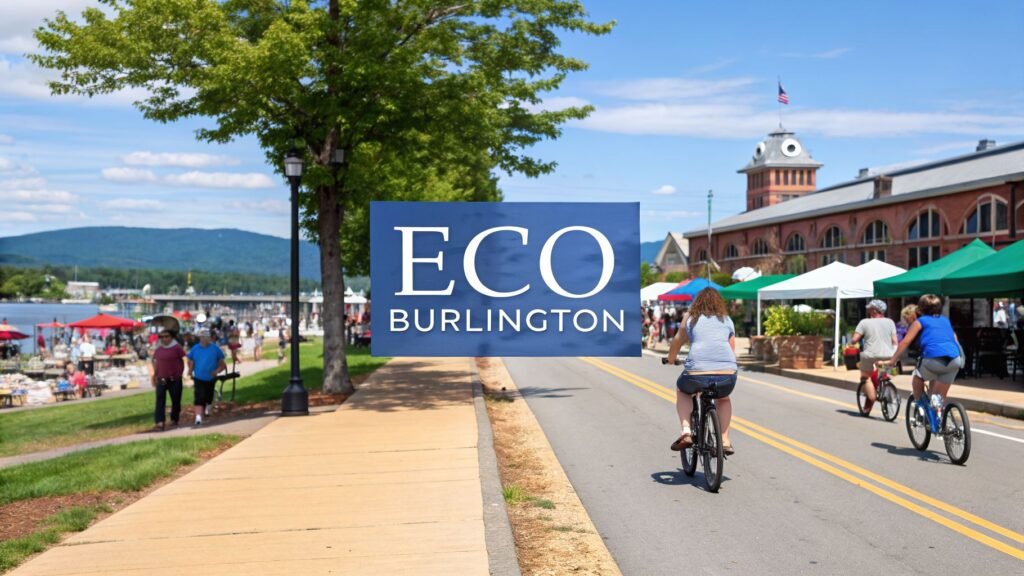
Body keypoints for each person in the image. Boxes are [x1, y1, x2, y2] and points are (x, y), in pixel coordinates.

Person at [666, 288, 737, 455]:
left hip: (697, 372)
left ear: (697, 302)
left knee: (682, 390)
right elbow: (731, 348)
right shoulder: (727, 320)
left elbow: (677, 342)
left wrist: (671, 359)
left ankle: (686, 431)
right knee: (724, 399)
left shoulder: (690, 319)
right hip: (727, 372)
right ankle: (725, 440)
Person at [889, 294, 963, 409]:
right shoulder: (945, 321)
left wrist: (893, 360)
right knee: (938, 399)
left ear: (920, 308)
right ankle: (938, 417)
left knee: (917, 376)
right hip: (954, 359)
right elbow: (955, 339)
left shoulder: (920, 321)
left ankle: (921, 405)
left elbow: (905, 342)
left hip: (933, 359)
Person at [849, 300, 897, 414]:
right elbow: (895, 341)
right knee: (885, 373)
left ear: (875, 310)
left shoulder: (864, 322)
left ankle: (872, 397)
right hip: (888, 354)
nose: (868, 310)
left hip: (870, 354)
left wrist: (852, 341)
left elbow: (854, 339)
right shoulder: (890, 322)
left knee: (865, 377)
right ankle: (886, 384)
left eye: (870, 309)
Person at [186, 330, 226, 426]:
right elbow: (190, 361)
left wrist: (216, 372)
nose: (204, 339)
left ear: (210, 338)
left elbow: (222, 365)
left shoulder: (215, 349)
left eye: (206, 337)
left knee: (208, 396)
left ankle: (208, 406)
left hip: (211, 378)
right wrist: (190, 371)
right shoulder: (195, 349)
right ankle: (198, 417)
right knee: (199, 397)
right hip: (199, 377)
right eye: (202, 337)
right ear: (199, 338)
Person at [151, 329, 186, 431]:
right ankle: (160, 421)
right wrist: (154, 374)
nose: (164, 339)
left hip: (174, 378)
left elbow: (184, 358)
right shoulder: (158, 349)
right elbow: (154, 361)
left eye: (166, 336)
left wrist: (183, 372)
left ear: (171, 337)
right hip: (161, 378)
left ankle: (174, 419)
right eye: (161, 337)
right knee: (160, 400)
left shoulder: (176, 348)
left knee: (175, 400)